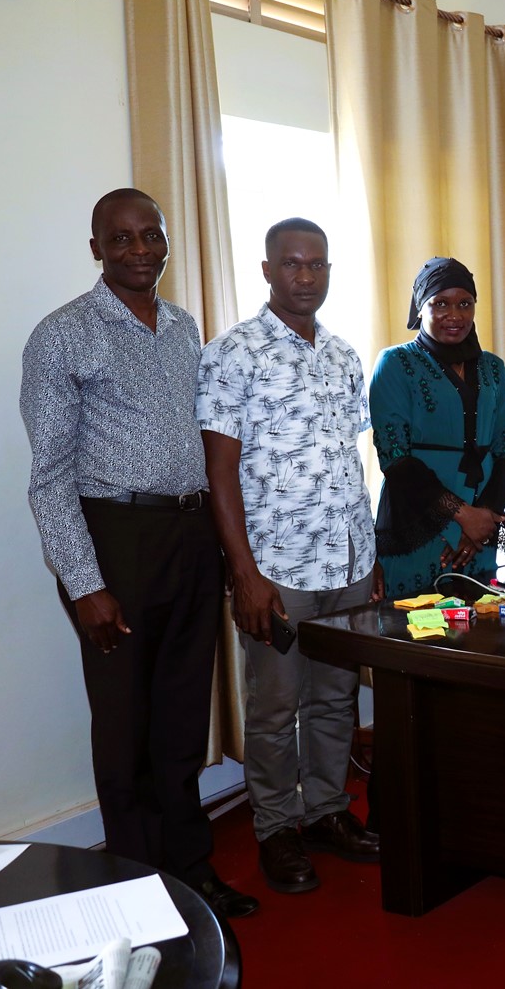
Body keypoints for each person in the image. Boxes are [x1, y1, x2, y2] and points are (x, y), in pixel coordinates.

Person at [19, 188, 258, 919]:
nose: (139, 250)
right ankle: (133, 888)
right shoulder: (62, 335)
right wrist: (84, 582)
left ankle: (191, 867)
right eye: (120, 239)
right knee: (124, 730)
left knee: (184, 720)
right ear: (95, 248)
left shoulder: (185, 327)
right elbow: (50, 476)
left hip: (190, 538)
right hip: (113, 543)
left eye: (149, 235)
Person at [197, 218, 383, 895]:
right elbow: (220, 473)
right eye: (292, 264)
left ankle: (329, 811)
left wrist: (372, 551)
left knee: (335, 698)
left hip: (348, 561)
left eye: (317, 265)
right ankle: (277, 827)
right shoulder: (232, 354)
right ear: (268, 269)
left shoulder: (343, 354)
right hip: (276, 566)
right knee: (275, 705)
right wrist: (243, 573)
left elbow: (349, 461)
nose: (305, 277)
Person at [370, 257, 505, 597]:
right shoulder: (395, 363)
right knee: (416, 631)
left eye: (465, 303)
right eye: (441, 303)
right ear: (420, 308)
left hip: (482, 528)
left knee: (481, 632)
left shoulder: (493, 368)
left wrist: (482, 522)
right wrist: (462, 515)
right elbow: (395, 456)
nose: (455, 314)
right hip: (417, 524)